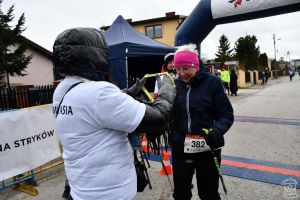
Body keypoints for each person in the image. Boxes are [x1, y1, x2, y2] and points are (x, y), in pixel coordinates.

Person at [52, 27, 176, 200]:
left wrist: (124, 94)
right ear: (96, 55)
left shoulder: (63, 90)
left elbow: (92, 111)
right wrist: (167, 87)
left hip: (81, 188)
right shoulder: (98, 93)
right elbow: (159, 118)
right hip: (109, 193)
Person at [171, 44, 234, 200]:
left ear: (195, 66)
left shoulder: (212, 82)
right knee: (181, 193)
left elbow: (226, 115)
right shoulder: (174, 84)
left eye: (185, 68)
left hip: (206, 145)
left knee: (208, 193)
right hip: (181, 146)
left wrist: (215, 131)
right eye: (178, 69)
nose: (181, 73)